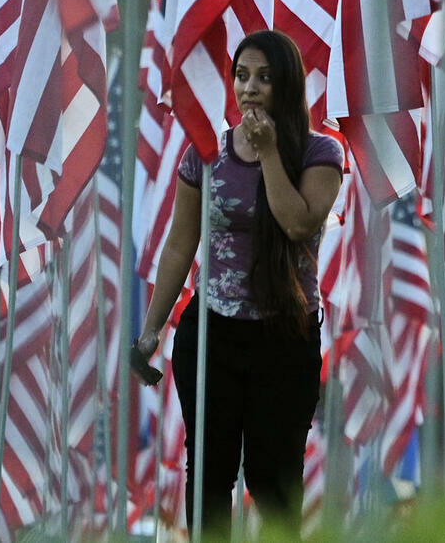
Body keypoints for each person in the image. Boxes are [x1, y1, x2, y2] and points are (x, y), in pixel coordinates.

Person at [134, 30, 343, 533]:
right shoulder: (206, 153)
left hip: (285, 337)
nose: (249, 88)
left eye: (264, 78)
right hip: (212, 334)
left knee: (273, 482)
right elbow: (181, 245)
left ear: (287, 85)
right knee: (208, 474)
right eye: (242, 76)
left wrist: (269, 152)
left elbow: (297, 224)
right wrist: (151, 330)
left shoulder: (320, 154)